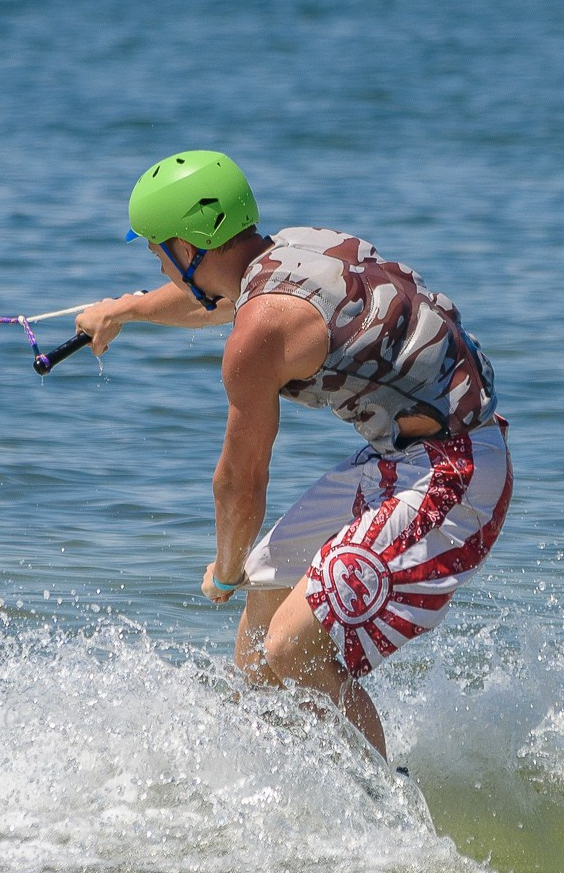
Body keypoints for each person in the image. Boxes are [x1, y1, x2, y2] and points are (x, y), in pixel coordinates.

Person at [76, 151, 511, 758]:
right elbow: (221, 300)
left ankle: (388, 818)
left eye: (156, 247)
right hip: (403, 459)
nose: (155, 260)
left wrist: (224, 568)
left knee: (288, 646)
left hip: (456, 473)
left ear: (188, 243)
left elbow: (239, 483)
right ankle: (279, 795)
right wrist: (120, 310)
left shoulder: (258, 335)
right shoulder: (294, 251)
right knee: (260, 630)